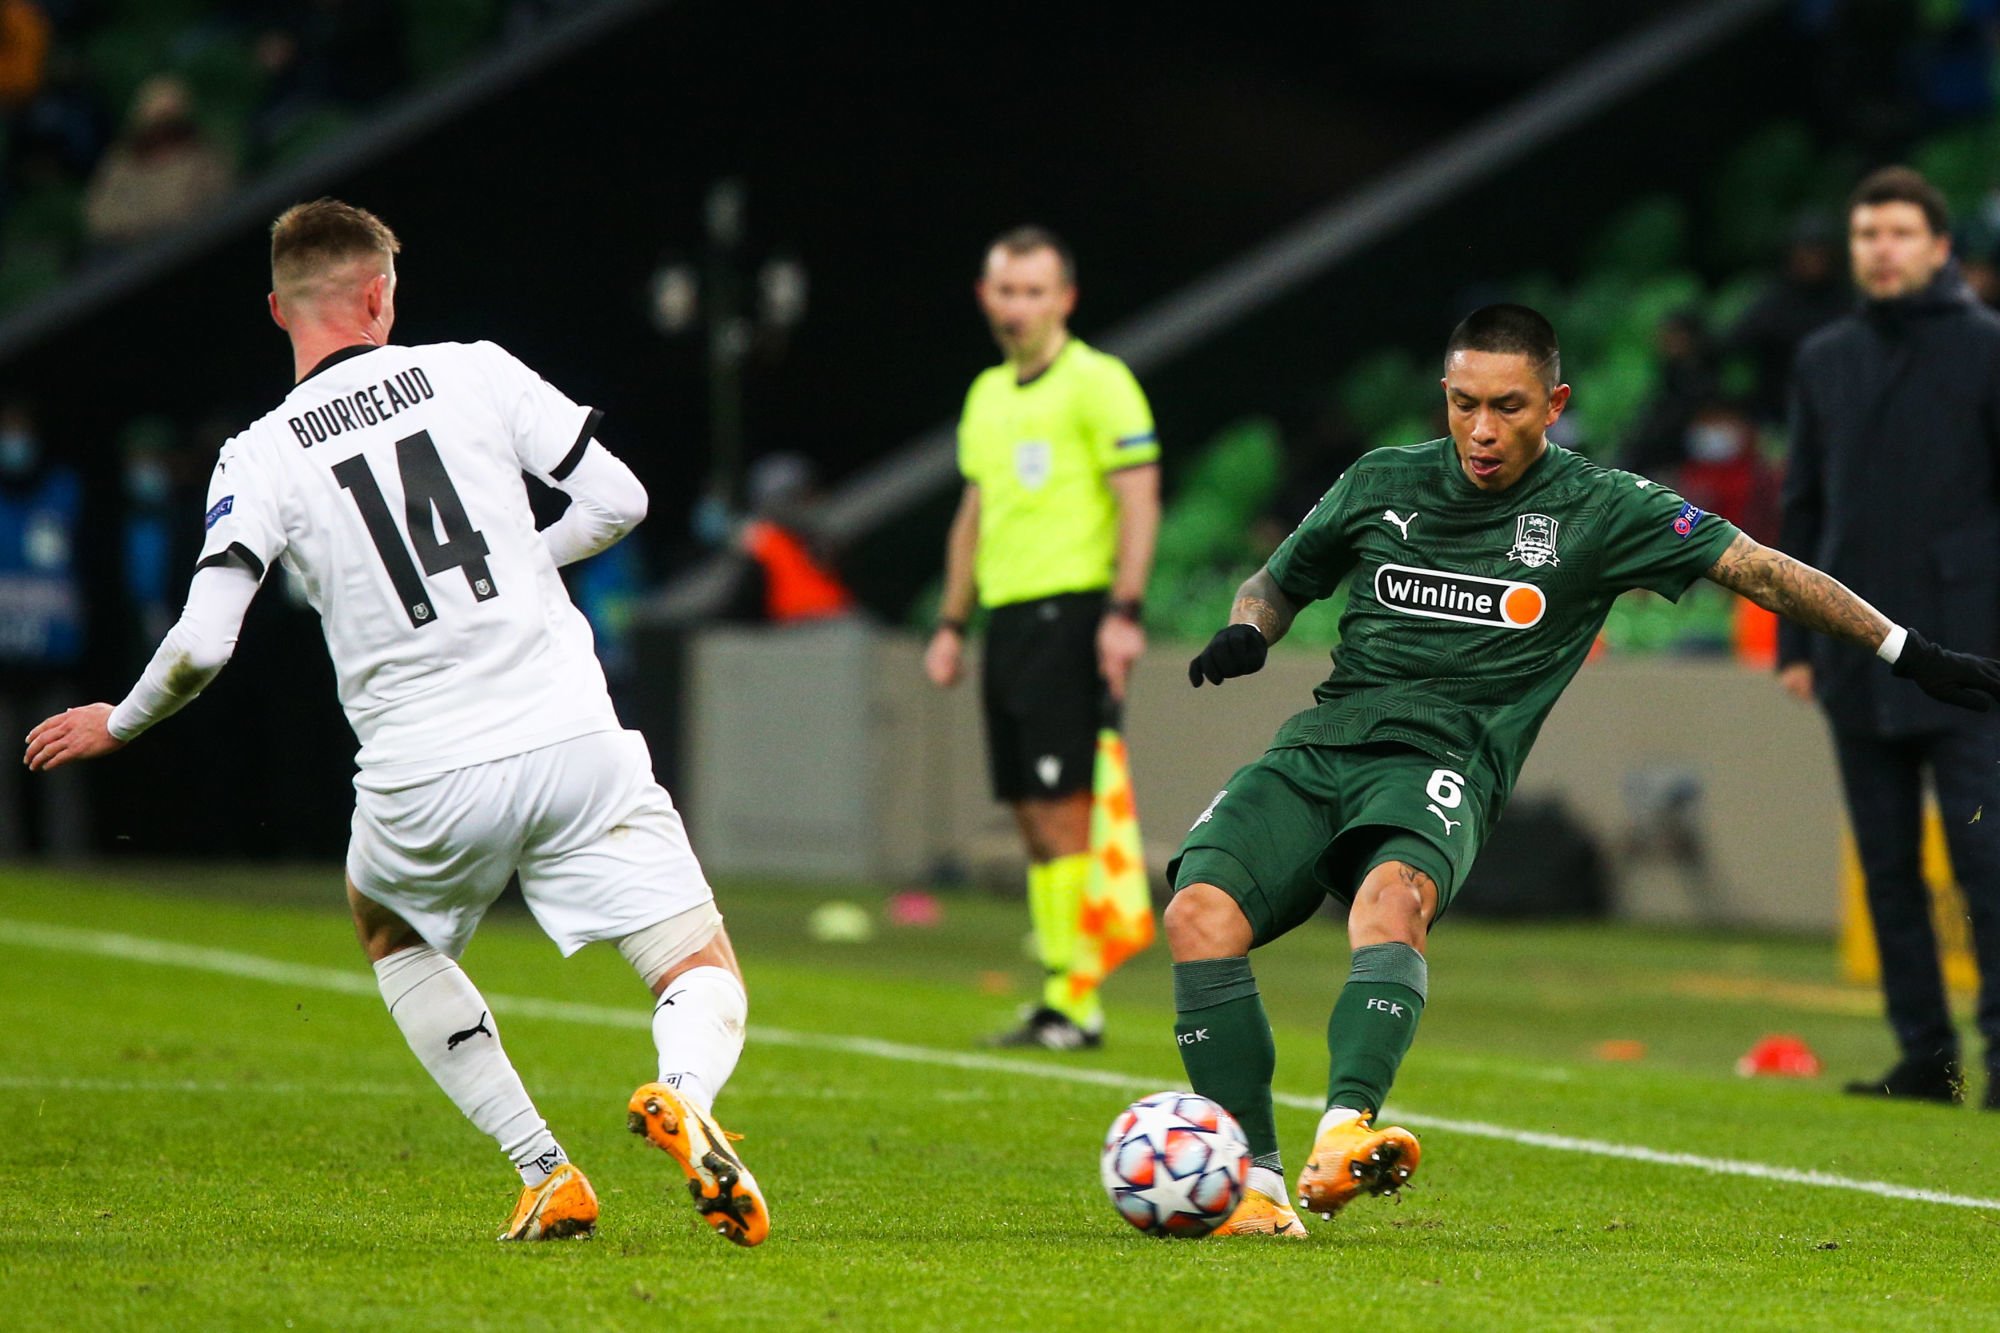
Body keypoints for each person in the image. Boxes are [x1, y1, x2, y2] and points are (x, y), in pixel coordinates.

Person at [22, 199, 769, 1247]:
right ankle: (683, 1093)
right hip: (572, 735)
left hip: (424, 770)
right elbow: (622, 500)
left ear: (278, 309)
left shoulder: (256, 454)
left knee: (390, 930)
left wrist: (124, 720)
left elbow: (201, 642)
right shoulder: (476, 370)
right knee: (695, 962)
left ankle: (546, 1169)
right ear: (379, 296)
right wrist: (518, 564)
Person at [1171, 303, 2000, 1239]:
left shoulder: (1605, 508)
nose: (1483, 430)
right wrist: (1249, 628)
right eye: (1464, 404)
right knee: (1198, 914)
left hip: (1445, 758)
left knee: (1390, 902)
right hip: (1322, 743)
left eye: (1509, 406)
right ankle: (1258, 1186)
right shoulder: (1380, 479)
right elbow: (1277, 581)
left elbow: (1761, 570)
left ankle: (1343, 1131)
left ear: (1556, 403)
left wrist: (1907, 650)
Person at [1780, 165, 2000, 1109]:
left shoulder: (1988, 348)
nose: (1881, 249)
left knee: (1988, 861)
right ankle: (1928, 1060)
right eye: (1868, 233)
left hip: (1970, 653)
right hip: (1853, 652)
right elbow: (1802, 504)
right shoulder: (1824, 356)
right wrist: (1794, 645)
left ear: (1941, 247)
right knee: (1886, 868)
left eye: (1901, 232)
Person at [923, 225, 1161, 1050]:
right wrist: (952, 622)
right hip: (1009, 620)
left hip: (1074, 612)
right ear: (984, 296)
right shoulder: (987, 394)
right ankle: (1062, 989)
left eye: (1034, 291)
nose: (1018, 305)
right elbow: (975, 512)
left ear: (1065, 299)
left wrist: (1125, 611)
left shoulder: (1099, 383)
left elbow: (1139, 496)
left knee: (1064, 809)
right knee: (1028, 810)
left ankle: (1075, 998)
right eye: (1006, 290)